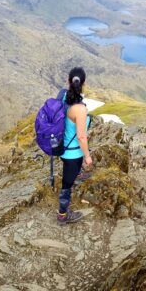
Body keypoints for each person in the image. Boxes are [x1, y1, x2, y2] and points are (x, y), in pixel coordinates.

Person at [58, 67, 93, 224]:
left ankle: (77, 175)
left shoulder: (63, 96)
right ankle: (63, 214)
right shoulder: (80, 109)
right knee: (67, 184)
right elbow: (81, 136)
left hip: (61, 147)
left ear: (68, 81)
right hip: (73, 153)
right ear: (84, 83)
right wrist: (87, 156)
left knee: (71, 173)